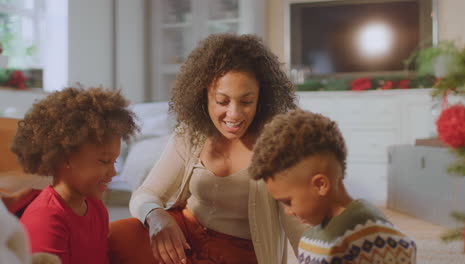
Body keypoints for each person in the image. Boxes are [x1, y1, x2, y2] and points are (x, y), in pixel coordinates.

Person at [108, 34, 306, 264]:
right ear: (203, 96)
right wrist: (156, 216)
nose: (234, 114)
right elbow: (146, 194)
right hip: (183, 234)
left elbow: (299, 225)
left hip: (238, 253)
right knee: (113, 238)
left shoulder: (277, 146)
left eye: (246, 101)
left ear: (261, 99)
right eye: (222, 101)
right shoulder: (192, 135)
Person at [248, 109, 417, 263]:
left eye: (288, 201)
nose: (288, 211)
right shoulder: (311, 237)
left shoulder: (374, 237)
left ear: (321, 185)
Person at [11, 86, 139, 264]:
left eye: (114, 161)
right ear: (65, 158)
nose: (113, 172)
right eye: (103, 161)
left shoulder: (96, 208)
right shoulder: (47, 219)